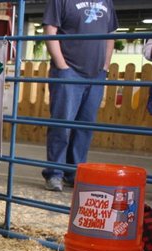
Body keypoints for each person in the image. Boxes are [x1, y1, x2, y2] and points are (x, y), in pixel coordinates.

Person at [42, 0, 117, 192]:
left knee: (85, 127)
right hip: (70, 70)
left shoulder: (106, 1)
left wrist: (105, 68)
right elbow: (50, 30)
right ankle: (55, 173)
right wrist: (62, 67)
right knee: (62, 124)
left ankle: (75, 173)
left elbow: (110, 34)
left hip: (96, 73)